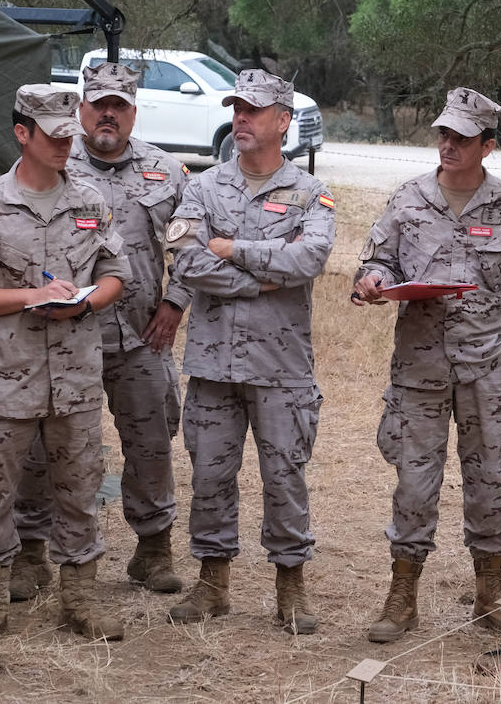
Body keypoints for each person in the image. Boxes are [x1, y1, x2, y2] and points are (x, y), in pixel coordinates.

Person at [352, 88, 501, 642]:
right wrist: (370, 282)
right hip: (417, 373)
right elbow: (375, 262)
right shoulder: (408, 199)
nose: (448, 145)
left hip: (487, 372)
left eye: (462, 138)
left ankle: (491, 596)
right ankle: (402, 597)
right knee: (414, 486)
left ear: (488, 145)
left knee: (487, 486)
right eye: (443, 134)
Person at [0, 84, 128, 643]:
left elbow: (117, 274)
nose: (65, 147)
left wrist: (85, 303)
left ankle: (81, 598)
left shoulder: (91, 203)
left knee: (80, 487)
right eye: (52, 137)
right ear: (22, 133)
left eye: (70, 135)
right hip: (8, 379)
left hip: (74, 380)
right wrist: (30, 299)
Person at [5, 63, 190, 601]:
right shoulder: (50, 160)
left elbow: (193, 245)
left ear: (134, 111)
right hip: (62, 340)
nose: (108, 113)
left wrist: (176, 302)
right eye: (98, 103)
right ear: (81, 108)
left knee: (151, 442)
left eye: (121, 105)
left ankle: (153, 550)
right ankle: (32, 553)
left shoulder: (165, 171)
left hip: (141, 336)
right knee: (44, 449)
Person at [165, 68, 334, 634]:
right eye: (237, 108)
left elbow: (308, 260)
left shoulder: (310, 192)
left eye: (253, 110)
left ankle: (291, 587)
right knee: (210, 474)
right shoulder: (203, 187)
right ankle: (212, 585)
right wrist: (257, 276)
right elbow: (186, 260)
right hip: (213, 364)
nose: (240, 118)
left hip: (281, 366)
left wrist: (231, 247)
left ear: (283, 121)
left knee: (284, 475)